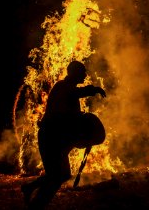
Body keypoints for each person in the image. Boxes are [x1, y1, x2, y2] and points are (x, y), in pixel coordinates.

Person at [21, 60, 106, 209]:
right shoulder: (62, 87)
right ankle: (36, 206)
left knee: (63, 175)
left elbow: (71, 114)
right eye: (82, 72)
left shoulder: (68, 89)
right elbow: (74, 97)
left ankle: (30, 188)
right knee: (55, 177)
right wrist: (94, 89)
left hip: (58, 138)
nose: (85, 74)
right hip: (50, 137)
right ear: (74, 73)